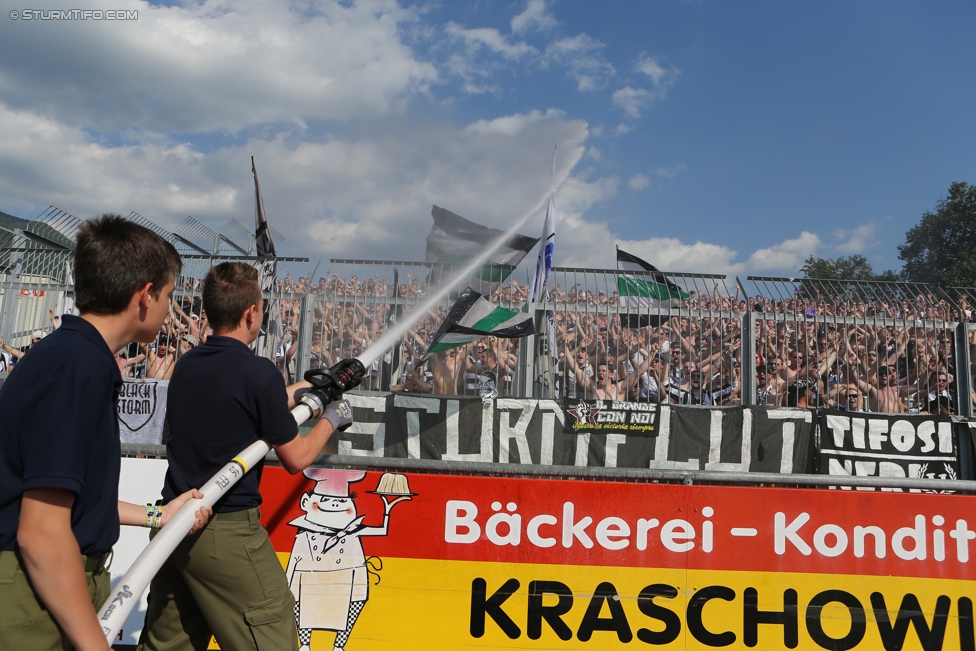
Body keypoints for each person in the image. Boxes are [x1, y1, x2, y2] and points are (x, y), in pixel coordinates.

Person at [0, 215, 211, 651]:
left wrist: (159, 515)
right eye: (169, 296)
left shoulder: (76, 357)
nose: (170, 309)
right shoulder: (75, 366)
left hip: (43, 588)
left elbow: (70, 501)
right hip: (31, 598)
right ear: (145, 295)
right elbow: (41, 532)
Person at [138, 262, 357, 651]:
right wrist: (332, 420)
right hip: (226, 533)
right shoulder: (258, 373)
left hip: (175, 527)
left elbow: (243, 401)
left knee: (167, 645)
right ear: (251, 312)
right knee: (272, 637)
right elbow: (297, 458)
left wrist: (314, 385)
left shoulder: (188, 365)